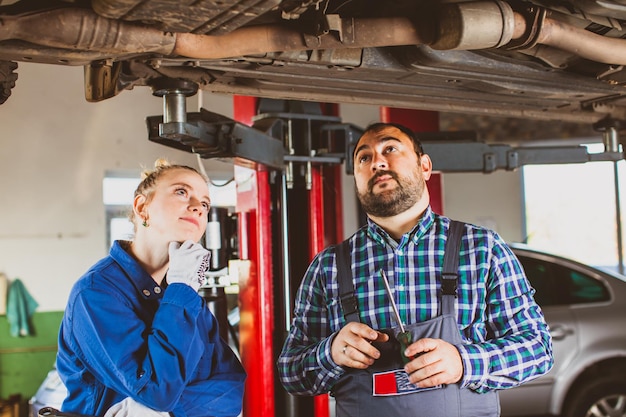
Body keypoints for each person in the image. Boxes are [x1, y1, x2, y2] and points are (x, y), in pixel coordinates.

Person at [277, 122, 553, 417]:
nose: (377, 162)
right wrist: (330, 353)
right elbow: (291, 373)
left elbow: (538, 348)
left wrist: (464, 362)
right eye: (364, 157)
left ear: (425, 166)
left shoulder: (481, 249)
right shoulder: (328, 266)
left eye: (390, 148)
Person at [56, 159, 246, 417]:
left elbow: (231, 386)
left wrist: (167, 413)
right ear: (142, 207)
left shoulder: (186, 295)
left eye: (204, 203)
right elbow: (157, 390)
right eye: (181, 192)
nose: (198, 208)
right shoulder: (96, 294)